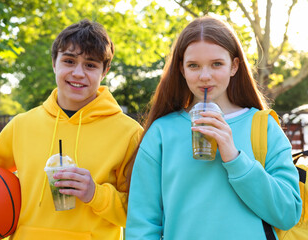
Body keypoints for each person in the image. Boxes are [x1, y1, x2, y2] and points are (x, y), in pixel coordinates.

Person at [0, 19, 142, 240]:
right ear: (54, 64)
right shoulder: (23, 124)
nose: (78, 73)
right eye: (69, 61)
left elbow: (140, 211)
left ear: (104, 71)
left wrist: (96, 194)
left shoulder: (129, 133)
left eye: (90, 65)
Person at [125, 16, 302, 239]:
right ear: (182, 69)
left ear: (234, 66)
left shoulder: (264, 126)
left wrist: (235, 158)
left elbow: (288, 213)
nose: (205, 76)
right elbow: (142, 226)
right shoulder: (161, 133)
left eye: (217, 64)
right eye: (193, 66)